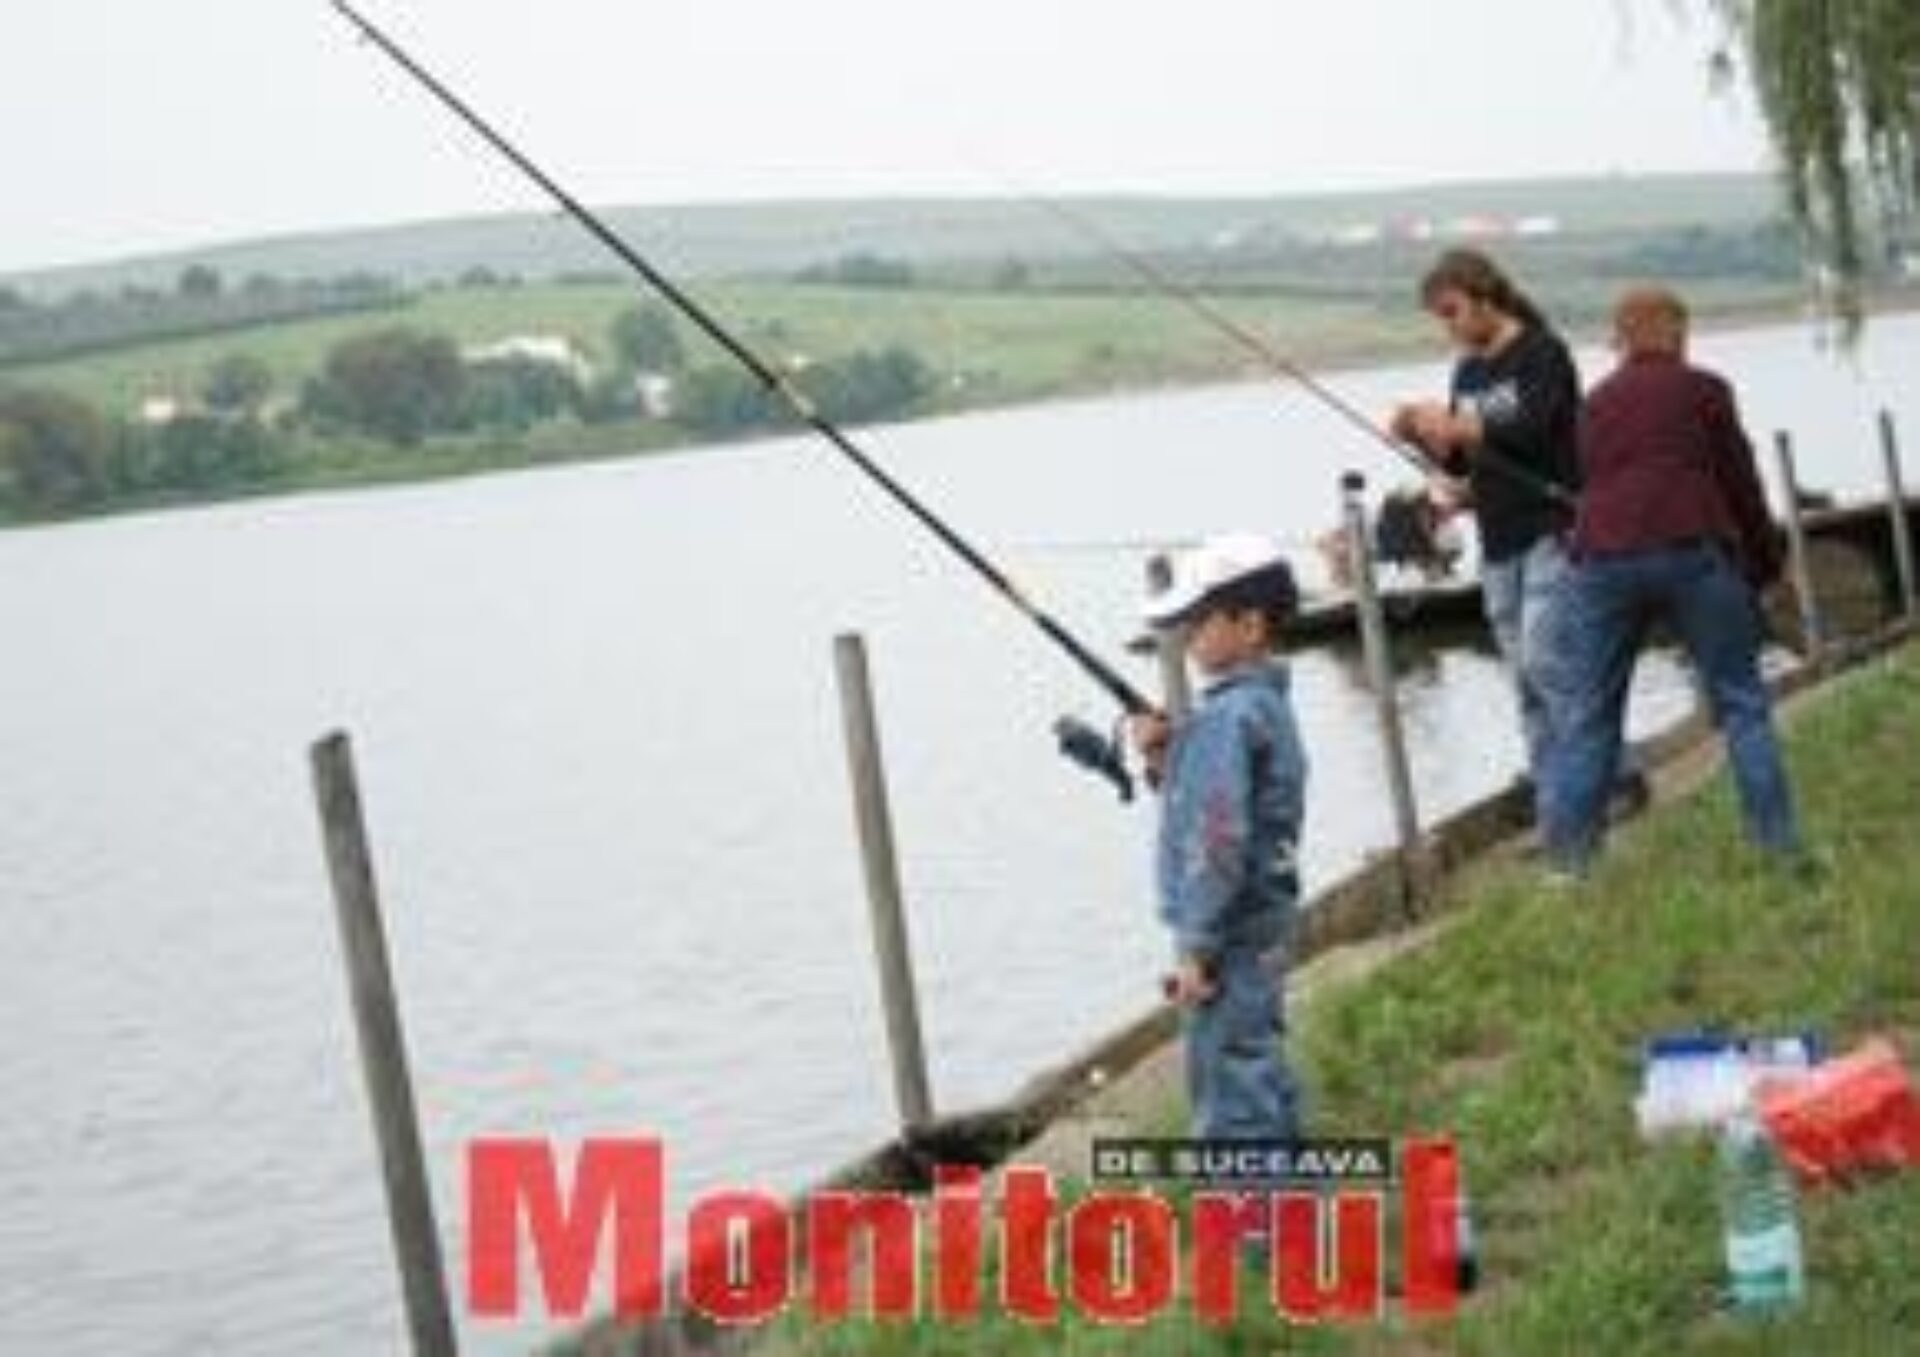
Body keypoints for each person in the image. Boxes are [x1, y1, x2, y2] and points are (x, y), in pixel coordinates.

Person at [1541, 285, 1802, 873]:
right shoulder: (1705, 390)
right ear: (1676, 332)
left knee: (1589, 717)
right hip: (1691, 547)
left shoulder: (1595, 404)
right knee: (1742, 702)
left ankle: (1569, 869)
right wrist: (1766, 566)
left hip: (1601, 560)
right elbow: (1741, 484)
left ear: (1621, 339)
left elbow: (1592, 485)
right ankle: (1779, 853)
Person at [1389, 249, 1584, 804]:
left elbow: (1534, 429)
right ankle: (1554, 790)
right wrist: (1420, 435)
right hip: (1498, 539)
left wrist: (1457, 425)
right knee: (1523, 674)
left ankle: (1606, 773)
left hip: (1554, 527)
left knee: (1547, 659)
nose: (1449, 328)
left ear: (1484, 298)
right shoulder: (1468, 372)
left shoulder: (1542, 352)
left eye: (1452, 312)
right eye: (1440, 318)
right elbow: (1460, 462)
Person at [1131, 533, 1307, 1144]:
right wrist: (1167, 759)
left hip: (1227, 935)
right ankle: (1289, 1190)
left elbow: (1217, 842)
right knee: (1257, 1066)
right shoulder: (1264, 708)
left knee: (1229, 1093)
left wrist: (1197, 949)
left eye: (1200, 620)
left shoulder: (1226, 719)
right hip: (1263, 920)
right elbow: (1227, 805)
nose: (1187, 635)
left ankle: (1254, 1206)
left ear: (1250, 625)